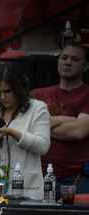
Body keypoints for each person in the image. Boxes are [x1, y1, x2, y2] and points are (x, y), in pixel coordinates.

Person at [0, 64, 51, 197]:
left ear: (18, 88)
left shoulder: (37, 108)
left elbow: (43, 146)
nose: (3, 97)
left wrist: (12, 132)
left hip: (27, 190)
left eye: (7, 91)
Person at [31, 41, 89, 194]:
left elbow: (78, 132)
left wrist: (38, 127)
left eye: (75, 59)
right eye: (64, 58)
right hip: (37, 176)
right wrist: (64, 120)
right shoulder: (37, 95)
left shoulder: (87, 94)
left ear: (86, 66)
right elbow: (23, 127)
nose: (68, 62)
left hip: (76, 178)